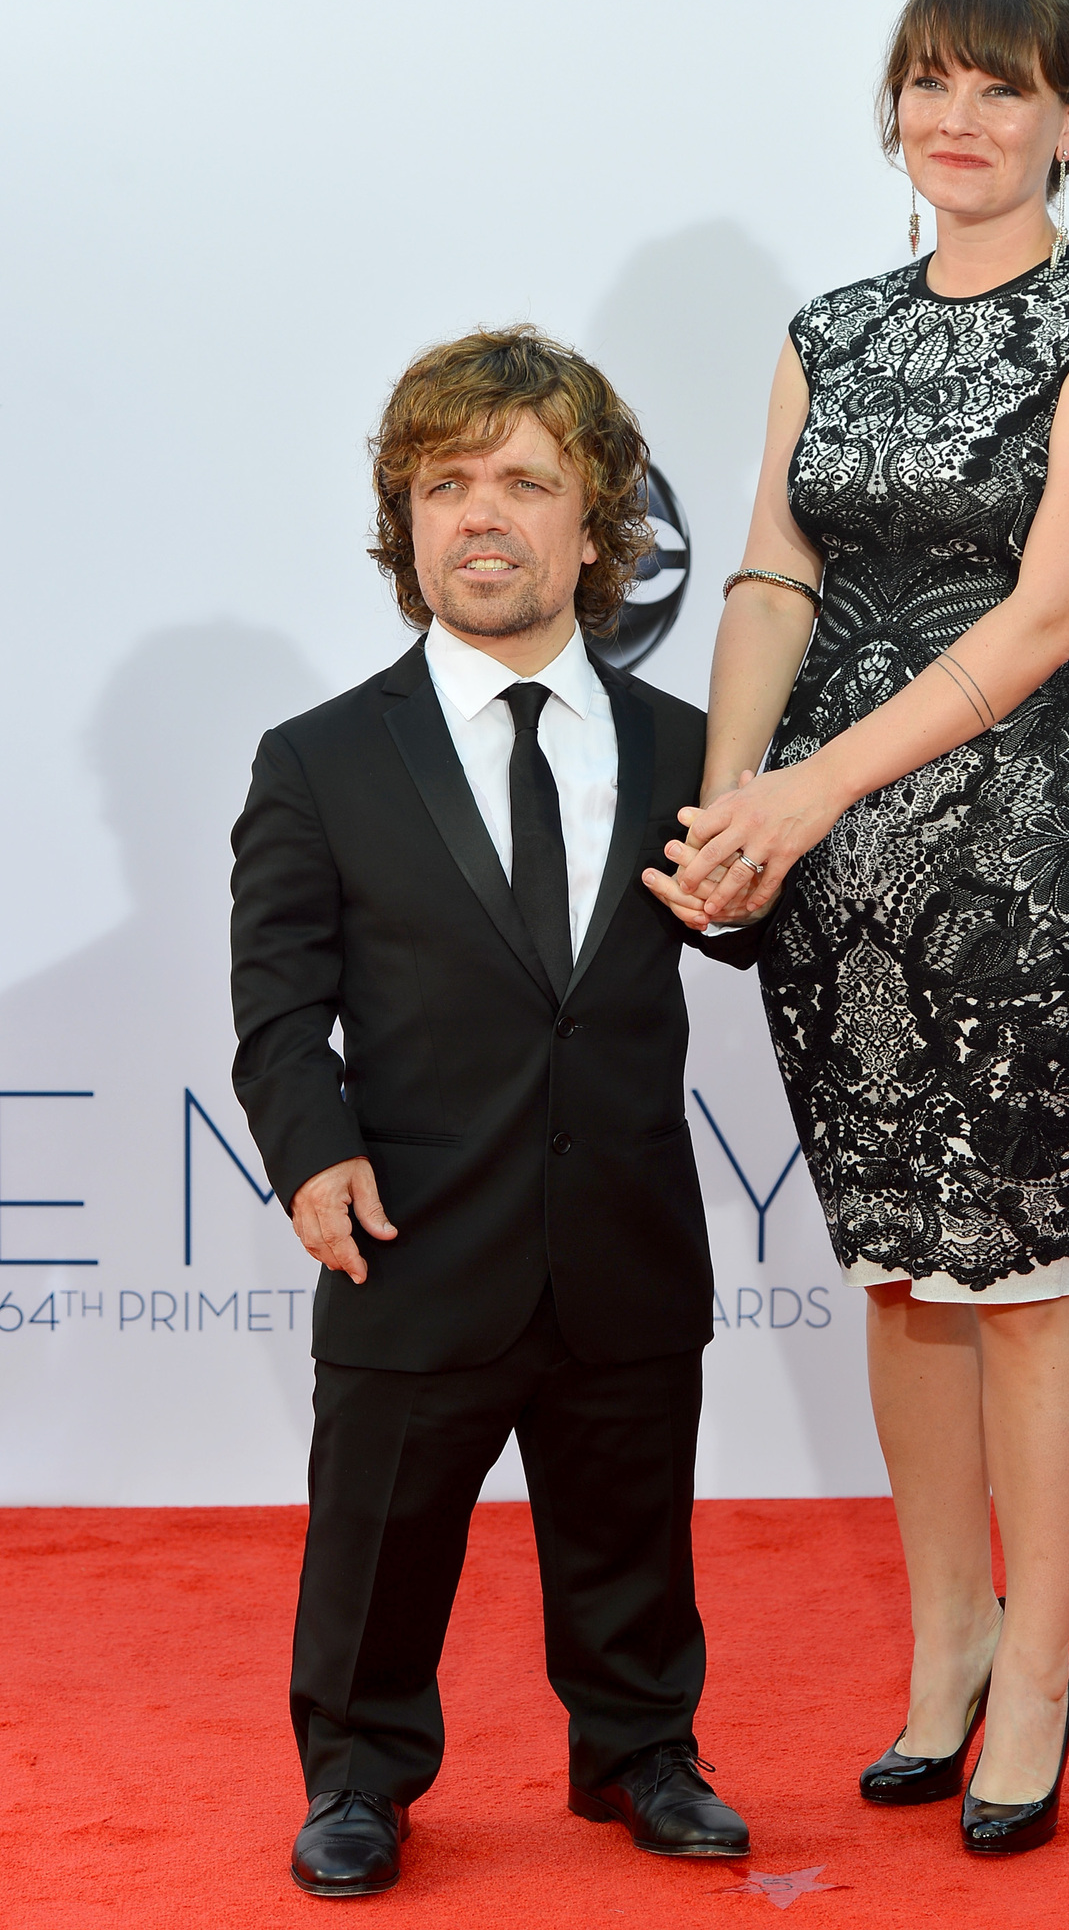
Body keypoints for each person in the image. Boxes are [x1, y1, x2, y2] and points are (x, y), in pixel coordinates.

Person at [643, 0, 1069, 1854]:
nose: (958, 121)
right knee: (899, 1264)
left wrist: (796, 790)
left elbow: (1040, 622)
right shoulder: (834, 327)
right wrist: (730, 812)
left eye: (1001, 90)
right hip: (825, 874)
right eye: (931, 82)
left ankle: (1038, 1664)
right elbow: (776, 578)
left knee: (1018, 1271)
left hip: (1015, 856)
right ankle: (943, 1644)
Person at [231, 329, 765, 1899]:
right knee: (379, 1544)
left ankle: (642, 1753)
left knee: (630, 1528)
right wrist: (311, 1146)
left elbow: (746, 934)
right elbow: (277, 998)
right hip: (414, 1228)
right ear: (403, 525)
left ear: (593, 526)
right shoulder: (319, 760)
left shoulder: (690, 751)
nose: (481, 513)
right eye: (443, 483)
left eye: (525, 481)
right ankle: (358, 1778)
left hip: (622, 1226)